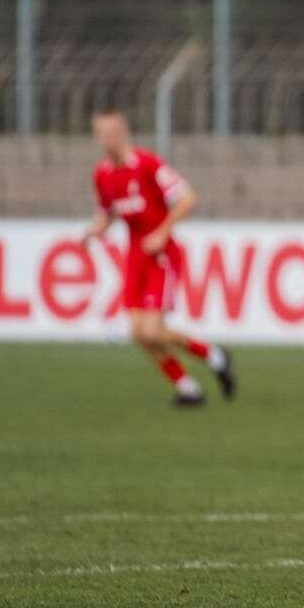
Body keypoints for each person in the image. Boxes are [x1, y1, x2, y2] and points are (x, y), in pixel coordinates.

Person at [82, 110, 235, 408]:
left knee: (152, 330)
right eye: (102, 133)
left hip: (161, 255)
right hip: (135, 257)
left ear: (123, 131)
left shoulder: (148, 164)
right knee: (141, 334)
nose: (107, 138)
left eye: (112, 132)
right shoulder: (102, 174)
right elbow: (108, 213)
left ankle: (214, 355)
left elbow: (188, 198)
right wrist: (92, 232)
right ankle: (188, 387)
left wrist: (163, 232)